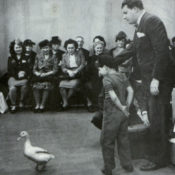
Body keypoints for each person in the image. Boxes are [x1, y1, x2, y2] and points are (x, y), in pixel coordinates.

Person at [121, 0, 173, 170]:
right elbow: (132, 50)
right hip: (148, 79)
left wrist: (156, 79)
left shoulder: (151, 21)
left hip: (158, 80)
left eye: (125, 12)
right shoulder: (140, 24)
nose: (124, 17)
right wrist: (107, 59)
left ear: (135, 9)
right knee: (154, 117)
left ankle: (160, 159)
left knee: (158, 119)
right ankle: (156, 154)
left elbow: (162, 51)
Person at [98, 56, 134, 175]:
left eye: (99, 68)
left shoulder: (106, 79)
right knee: (123, 139)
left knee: (106, 141)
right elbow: (131, 91)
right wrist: (126, 106)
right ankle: (127, 164)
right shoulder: (122, 75)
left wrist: (120, 107)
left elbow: (112, 96)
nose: (99, 71)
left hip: (111, 114)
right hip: (123, 114)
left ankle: (108, 168)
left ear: (106, 67)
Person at [32, 40, 58, 112]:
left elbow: (55, 70)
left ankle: (42, 105)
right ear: (41, 49)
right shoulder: (38, 56)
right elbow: (34, 68)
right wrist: (37, 73)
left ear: (50, 48)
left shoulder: (54, 56)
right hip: (39, 75)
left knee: (46, 85)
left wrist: (46, 74)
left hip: (49, 75)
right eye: (43, 48)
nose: (45, 49)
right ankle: (37, 104)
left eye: (47, 48)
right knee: (35, 86)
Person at [59, 39, 85, 109]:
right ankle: (66, 102)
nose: (70, 49)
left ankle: (65, 103)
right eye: (69, 48)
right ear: (66, 48)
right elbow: (63, 67)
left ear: (75, 47)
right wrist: (68, 71)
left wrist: (76, 71)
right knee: (61, 85)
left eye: (72, 48)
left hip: (78, 73)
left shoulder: (80, 53)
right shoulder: (64, 55)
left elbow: (83, 64)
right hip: (68, 74)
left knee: (73, 85)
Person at [7, 39, 29, 112]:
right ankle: (13, 105)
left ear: (22, 48)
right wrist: (17, 74)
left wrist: (24, 73)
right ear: (13, 49)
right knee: (12, 88)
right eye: (16, 47)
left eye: (20, 47)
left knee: (25, 85)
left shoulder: (26, 57)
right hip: (13, 77)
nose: (18, 49)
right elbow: (9, 70)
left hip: (23, 78)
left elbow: (28, 68)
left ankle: (21, 101)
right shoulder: (10, 58)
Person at [50, 36, 65, 110]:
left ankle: (57, 104)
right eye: (54, 44)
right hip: (49, 73)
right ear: (51, 45)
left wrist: (61, 65)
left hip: (59, 73)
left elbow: (65, 64)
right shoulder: (48, 52)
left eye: (58, 44)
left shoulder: (63, 53)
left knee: (57, 83)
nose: (56, 46)